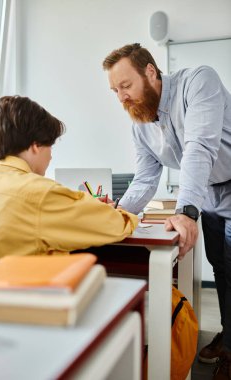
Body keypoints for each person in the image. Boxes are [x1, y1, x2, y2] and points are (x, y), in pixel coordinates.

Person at [102, 43, 231, 379]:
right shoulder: (140, 125)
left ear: (150, 72)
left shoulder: (199, 82)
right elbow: (145, 178)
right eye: (115, 91)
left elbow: (198, 147)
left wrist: (187, 210)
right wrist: (114, 216)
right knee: (222, 267)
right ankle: (230, 337)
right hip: (210, 193)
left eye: (126, 86)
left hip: (221, 184)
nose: (121, 98)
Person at [0, 95, 138, 260]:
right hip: (33, 284)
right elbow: (116, 225)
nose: (51, 157)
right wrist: (112, 211)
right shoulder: (41, 194)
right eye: (50, 146)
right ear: (35, 146)